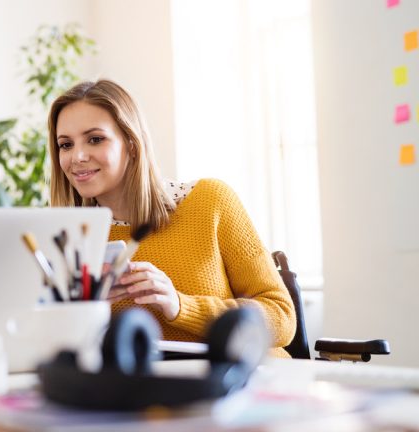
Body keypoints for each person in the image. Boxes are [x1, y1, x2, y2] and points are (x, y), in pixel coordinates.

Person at [47, 79, 295, 357]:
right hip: (144, 394)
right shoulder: (67, 238)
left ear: (131, 143)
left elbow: (282, 317)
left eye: (95, 139)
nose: (77, 157)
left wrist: (181, 305)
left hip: (243, 384)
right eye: (65, 145)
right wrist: (86, 312)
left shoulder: (210, 201)